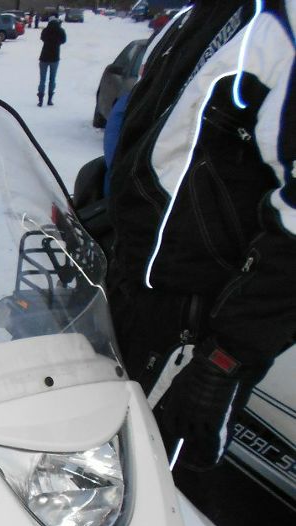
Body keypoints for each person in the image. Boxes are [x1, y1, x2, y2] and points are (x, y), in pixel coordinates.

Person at [105, 0, 295, 473]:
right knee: (89, 473)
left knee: (155, 491)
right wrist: (103, 204)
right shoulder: (199, 15)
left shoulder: (279, 24)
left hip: (199, 328)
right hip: (131, 293)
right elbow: (159, 143)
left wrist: (229, 352)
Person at [37, 16, 65, 106]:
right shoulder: (60, 30)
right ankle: (50, 99)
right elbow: (64, 40)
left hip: (44, 57)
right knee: (52, 79)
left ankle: (40, 100)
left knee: (42, 79)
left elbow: (42, 38)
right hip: (55, 57)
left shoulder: (45, 30)